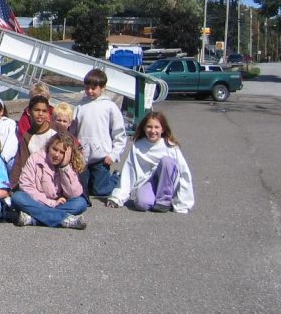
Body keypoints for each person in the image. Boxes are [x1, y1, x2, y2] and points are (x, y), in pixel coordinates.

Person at [106, 112, 194, 213]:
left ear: (163, 129)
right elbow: (128, 172)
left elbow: (184, 173)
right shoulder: (138, 146)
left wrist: (183, 202)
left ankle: (164, 201)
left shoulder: (171, 147)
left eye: (157, 127)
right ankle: (154, 198)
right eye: (149, 127)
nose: (153, 131)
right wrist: (117, 198)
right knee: (141, 204)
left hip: (168, 184)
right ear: (144, 128)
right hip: (147, 181)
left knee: (166, 161)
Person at [11, 131, 89, 229]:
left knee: (80, 203)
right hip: (37, 202)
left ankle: (34, 219)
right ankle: (64, 219)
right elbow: (26, 186)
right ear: (48, 147)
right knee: (18, 197)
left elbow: (74, 194)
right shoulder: (35, 159)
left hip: (58, 205)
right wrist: (50, 203)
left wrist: (64, 167)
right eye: (54, 149)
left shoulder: (69, 164)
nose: (57, 154)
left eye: (62, 152)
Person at [73, 69, 127, 197]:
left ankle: (115, 178)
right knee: (82, 190)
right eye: (87, 88)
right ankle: (93, 182)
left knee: (100, 191)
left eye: (93, 88)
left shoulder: (109, 107)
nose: (90, 91)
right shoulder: (80, 106)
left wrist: (114, 154)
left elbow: (119, 133)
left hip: (101, 157)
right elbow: (73, 129)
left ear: (103, 87)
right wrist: (73, 148)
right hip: (82, 155)